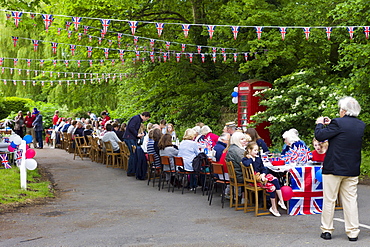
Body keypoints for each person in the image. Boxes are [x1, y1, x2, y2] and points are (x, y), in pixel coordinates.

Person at [315, 96, 365, 242]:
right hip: (351, 168)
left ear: (343, 110)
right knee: (350, 200)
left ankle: (327, 230)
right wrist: (332, 124)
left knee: (329, 199)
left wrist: (319, 124)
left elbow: (320, 136)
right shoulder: (360, 125)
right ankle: (353, 232)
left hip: (334, 167)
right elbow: (343, 133)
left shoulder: (337, 122)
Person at [242, 142, 287, 217]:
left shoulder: (258, 159)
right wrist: (250, 158)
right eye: (255, 150)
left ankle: (281, 200)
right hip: (254, 180)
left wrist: (263, 174)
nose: (256, 152)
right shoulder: (245, 159)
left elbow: (263, 168)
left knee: (275, 179)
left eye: (257, 150)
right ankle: (274, 208)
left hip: (261, 177)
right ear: (249, 150)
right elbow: (247, 164)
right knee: (272, 187)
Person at [225, 131, 251, 203]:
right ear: (236, 140)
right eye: (242, 139)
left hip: (235, 176)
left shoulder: (231, 149)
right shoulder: (239, 151)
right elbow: (245, 164)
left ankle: (245, 198)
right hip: (240, 176)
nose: (245, 140)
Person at [123, 112, 151, 176]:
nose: (145, 120)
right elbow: (131, 127)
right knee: (133, 154)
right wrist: (137, 134)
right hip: (130, 138)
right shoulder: (136, 118)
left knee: (133, 154)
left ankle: (132, 170)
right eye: (146, 119)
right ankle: (131, 171)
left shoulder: (137, 119)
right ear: (144, 116)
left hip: (131, 137)